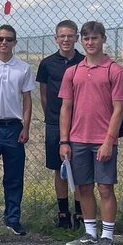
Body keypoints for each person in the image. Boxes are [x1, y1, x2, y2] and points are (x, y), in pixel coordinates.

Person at [59, 21, 123, 245]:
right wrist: (64, 141)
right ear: (82, 41)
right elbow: (66, 108)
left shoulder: (115, 71)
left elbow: (119, 109)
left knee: (105, 188)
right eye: (87, 39)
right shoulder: (73, 72)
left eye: (95, 39)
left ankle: (107, 237)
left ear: (103, 39)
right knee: (83, 187)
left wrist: (109, 141)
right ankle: (90, 233)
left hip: (102, 140)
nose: (90, 43)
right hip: (77, 139)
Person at [0, 23, 33, 236]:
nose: (4, 42)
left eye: (8, 39)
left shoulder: (23, 68)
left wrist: (26, 126)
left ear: (15, 42)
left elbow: (27, 100)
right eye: (0, 38)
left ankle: (13, 219)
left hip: (13, 128)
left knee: (14, 177)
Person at [36, 20, 84, 229]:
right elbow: (44, 95)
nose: (66, 39)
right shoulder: (47, 63)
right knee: (60, 168)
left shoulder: (83, 62)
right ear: (56, 39)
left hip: (80, 122)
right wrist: (52, 117)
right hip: (55, 122)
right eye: (62, 36)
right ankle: (63, 212)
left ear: (77, 38)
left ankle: (81, 212)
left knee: (80, 168)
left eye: (70, 35)